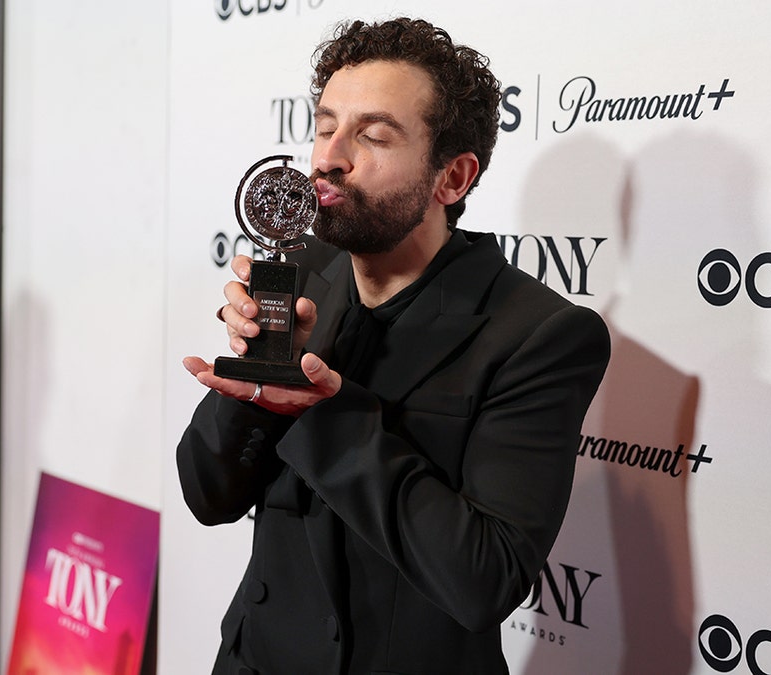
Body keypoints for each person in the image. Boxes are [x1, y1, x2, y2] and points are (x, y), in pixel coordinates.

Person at [178, 17, 610, 675]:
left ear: (452, 178)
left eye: (373, 135)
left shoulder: (537, 335)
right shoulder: (299, 274)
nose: (329, 157)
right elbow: (207, 493)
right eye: (325, 127)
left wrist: (320, 412)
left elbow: (484, 581)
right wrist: (253, 388)